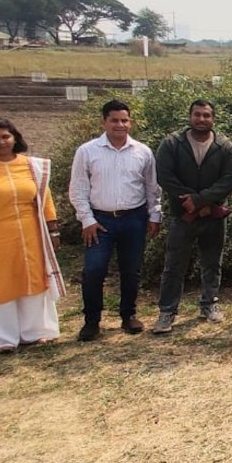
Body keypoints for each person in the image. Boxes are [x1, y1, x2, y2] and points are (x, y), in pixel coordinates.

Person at [69, 99, 163, 341]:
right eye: (114, 120)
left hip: (134, 218)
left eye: (124, 120)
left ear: (130, 122)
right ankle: (91, 321)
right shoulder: (87, 151)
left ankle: (128, 316)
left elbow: (152, 188)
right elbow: (78, 189)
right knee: (94, 270)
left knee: (131, 270)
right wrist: (87, 220)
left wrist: (155, 215)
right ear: (104, 122)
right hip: (100, 221)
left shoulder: (143, 151)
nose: (120, 125)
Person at [151, 100, 232, 334]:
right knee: (174, 265)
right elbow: (165, 176)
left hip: (214, 215)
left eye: (207, 115)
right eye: (197, 115)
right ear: (190, 116)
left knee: (212, 263)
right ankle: (167, 311)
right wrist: (189, 202)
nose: (202, 119)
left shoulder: (225, 147)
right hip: (182, 217)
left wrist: (200, 201)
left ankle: (209, 304)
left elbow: (229, 180)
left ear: (213, 119)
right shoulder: (172, 144)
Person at [0, 118, 64, 352]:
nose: (1, 142)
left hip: (31, 236)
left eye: (5, 136)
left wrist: (53, 230)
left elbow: (45, 199)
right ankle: (2, 339)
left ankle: (36, 333)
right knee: (0, 285)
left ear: (15, 137)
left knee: (34, 281)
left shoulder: (31, 166)